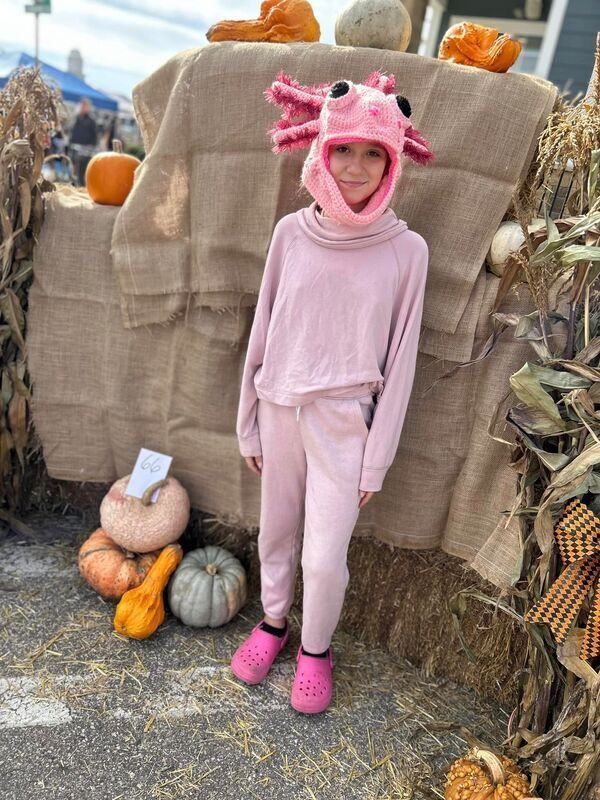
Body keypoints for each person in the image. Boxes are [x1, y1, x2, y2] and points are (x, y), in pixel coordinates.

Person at [230, 72, 434, 714]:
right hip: (279, 406)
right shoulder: (291, 233)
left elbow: (400, 363)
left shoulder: (408, 252)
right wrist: (249, 422)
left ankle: (316, 648)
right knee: (276, 532)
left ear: (393, 163)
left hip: (346, 423)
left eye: (374, 153)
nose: (356, 166)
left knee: (324, 556)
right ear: (320, 149)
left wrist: (376, 457)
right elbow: (263, 326)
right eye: (344, 148)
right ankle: (271, 623)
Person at [69, 97, 97, 186]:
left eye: (85, 106)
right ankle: (73, 184)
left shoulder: (91, 120)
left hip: (85, 150)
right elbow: (72, 132)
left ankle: (81, 185)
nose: (83, 107)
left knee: (82, 170)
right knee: (73, 168)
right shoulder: (76, 118)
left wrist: (91, 146)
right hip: (74, 148)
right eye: (82, 105)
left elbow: (94, 136)